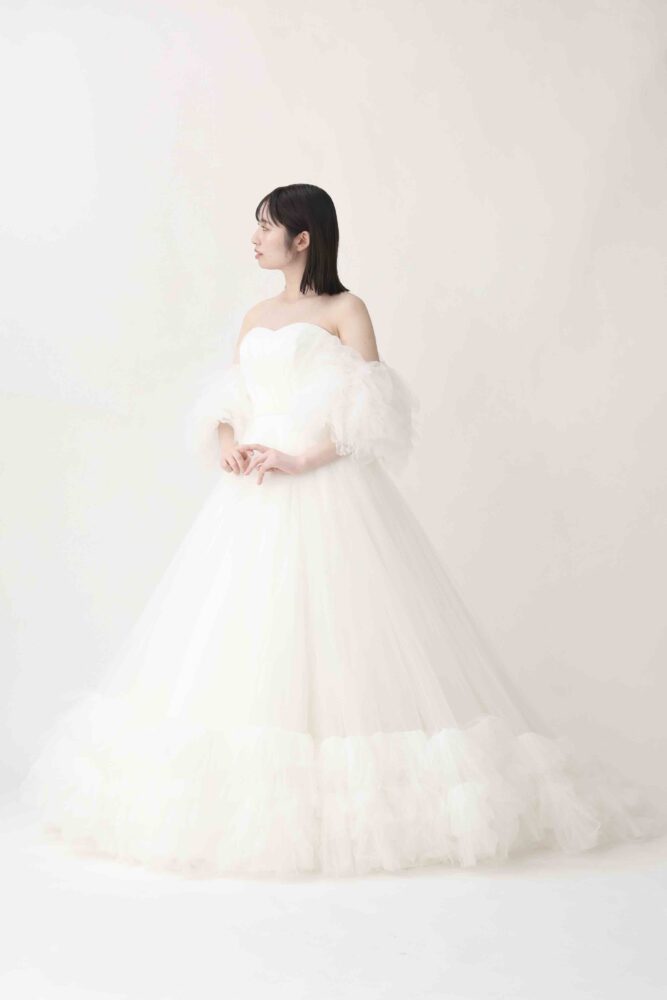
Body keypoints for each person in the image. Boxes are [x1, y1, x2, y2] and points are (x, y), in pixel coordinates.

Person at [18, 183, 664, 878]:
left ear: (303, 238)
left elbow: (372, 412)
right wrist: (231, 444)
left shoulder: (345, 309)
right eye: (256, 225)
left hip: (323, 487)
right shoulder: (257, 314)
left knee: (345, 632)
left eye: (266, 226)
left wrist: (300, 459)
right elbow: (231, 398)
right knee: (243, 633)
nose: (254, 237)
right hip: (252, 493)